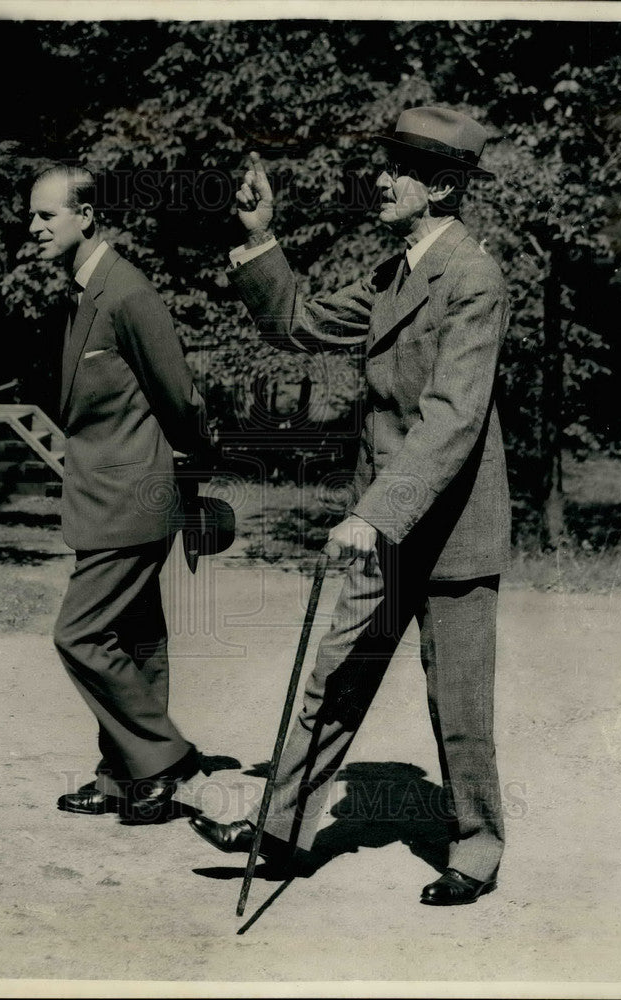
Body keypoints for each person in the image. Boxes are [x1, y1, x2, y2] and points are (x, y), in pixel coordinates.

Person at [190, 107, 512, 905]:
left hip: (447, 531)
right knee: (335, 676)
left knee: (459, 706)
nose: (379, 178)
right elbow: (296, 322)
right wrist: (259, 237)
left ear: (440, 186)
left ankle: (476, 845)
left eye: (398, 168)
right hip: (386, 526)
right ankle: (281, 828)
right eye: (385, 163)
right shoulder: (391, 273)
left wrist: (372, 513)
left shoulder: (473, 276)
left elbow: (452, 416)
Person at [28, 164, 209, 822]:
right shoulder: (82, 290)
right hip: (105, 497)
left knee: (78, 634)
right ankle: (125, 780)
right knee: (135, 641)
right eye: (33, 215)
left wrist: (195, 459)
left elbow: (179, 394)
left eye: (48, 215)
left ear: (88, 217)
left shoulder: (126, 292)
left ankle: (164, 756)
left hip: (131, 498)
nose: (35, 226)